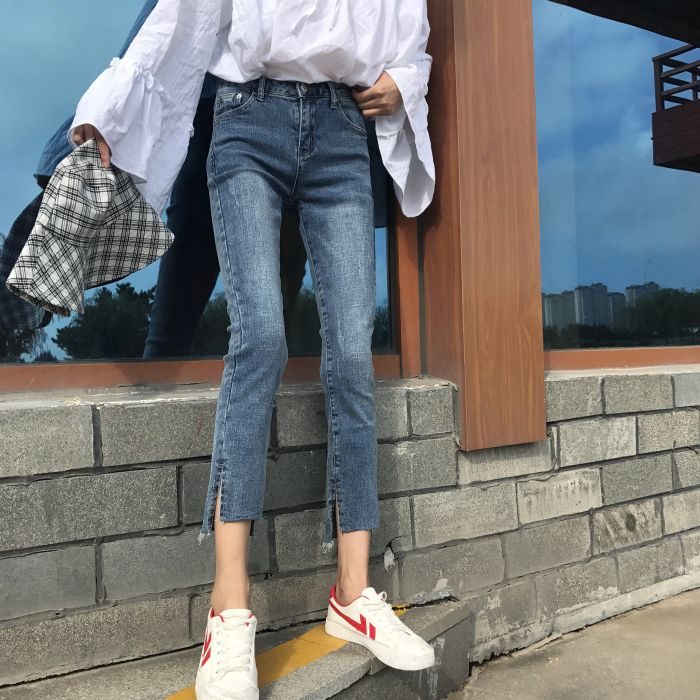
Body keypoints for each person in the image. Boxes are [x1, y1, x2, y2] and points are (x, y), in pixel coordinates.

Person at [69, 1, 435, 698]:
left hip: (342, 129)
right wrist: (109, 112)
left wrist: (404, 82)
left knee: (353, 358)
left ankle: (353, 596)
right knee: (261, 337)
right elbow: (184, 16)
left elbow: (410, 36)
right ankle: (228, 608)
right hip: (247, 118)